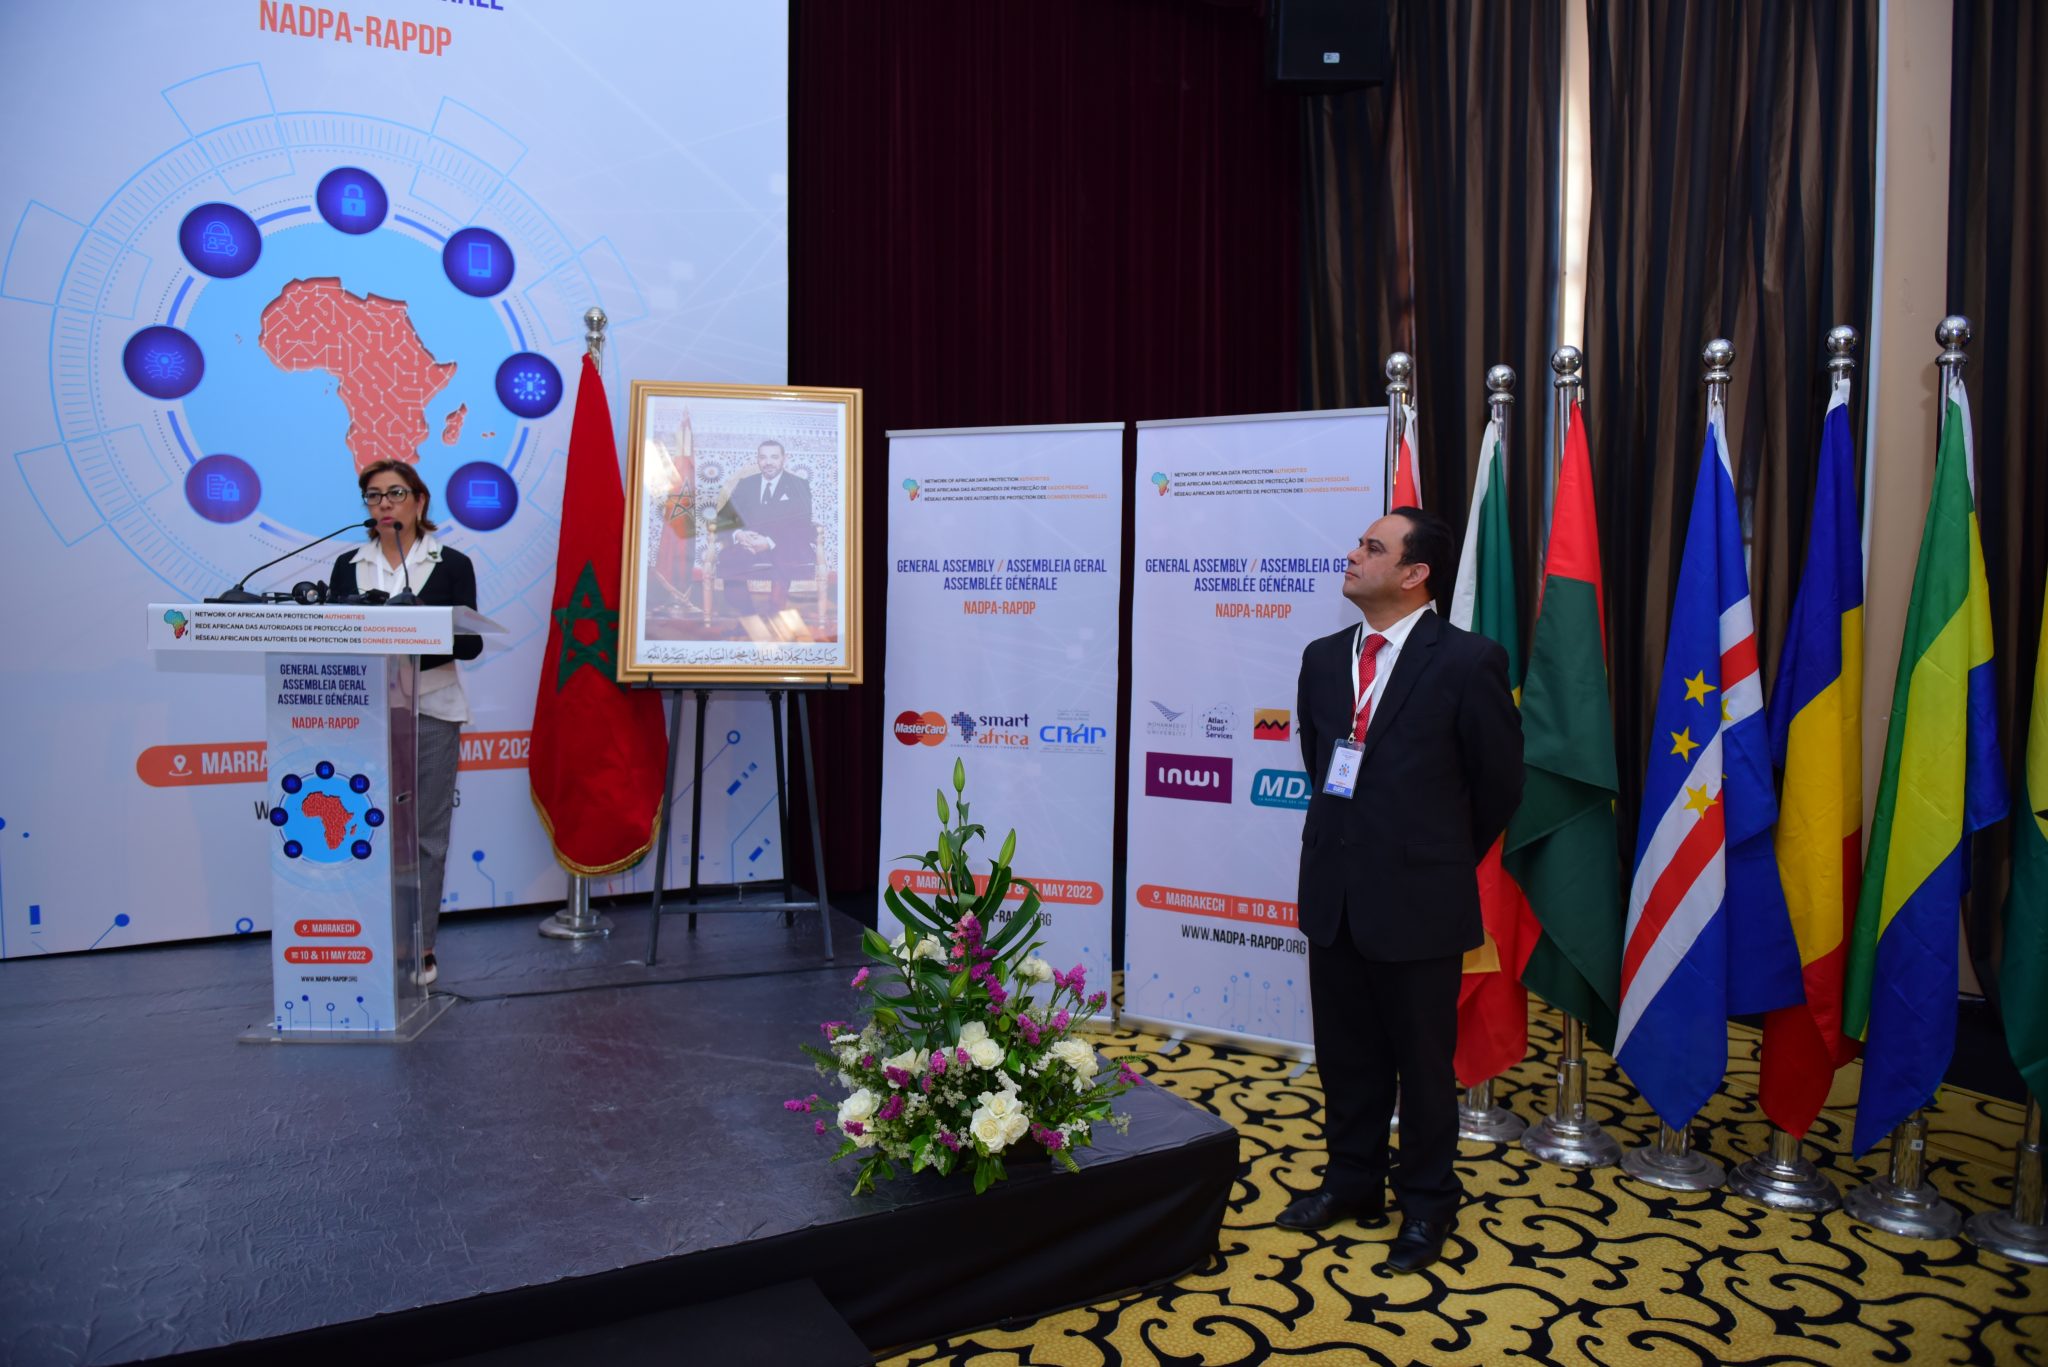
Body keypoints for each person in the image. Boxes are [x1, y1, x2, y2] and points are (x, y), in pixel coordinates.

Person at [1278, 506, 1524, 1273]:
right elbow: (1322, 762)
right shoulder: (1323, 658)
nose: (1352, 554)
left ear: (1415, 573)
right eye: (1359, 542)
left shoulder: (1468, 661)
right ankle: (1353, 1179)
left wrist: (1432, 857)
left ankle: (1426, 1201)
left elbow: (1499, 786)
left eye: (1373, 547)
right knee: (1345, 1055)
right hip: (1335, 893)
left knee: (1421, 1067)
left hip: (1419, 900)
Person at [328, 459, 481, 987]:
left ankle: (420, 944)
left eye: (396, 493)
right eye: (374, 496)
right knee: (363, 828)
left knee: (426, 836)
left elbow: (469, 644)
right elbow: (335, 638)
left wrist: (410, 637)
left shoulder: (451, 563)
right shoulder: (348, 565)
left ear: (419, 501)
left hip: (431, 710)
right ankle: (367, 938)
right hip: (366, 714)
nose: (385, 504)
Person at [706, 439, 814, 613]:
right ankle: (748, 614)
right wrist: (739, 534)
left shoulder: (799, 485)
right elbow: (724, 518)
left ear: (784, 458)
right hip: (749, 545)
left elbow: (802, 525)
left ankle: (774, 614)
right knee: (728, 558)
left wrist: (768, 542)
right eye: (763, 457)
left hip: (783, 545)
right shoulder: (746, 484)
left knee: (784, 560)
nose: (768, 462)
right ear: (758, 459)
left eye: (774, 457)